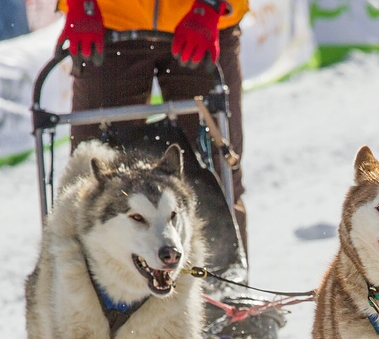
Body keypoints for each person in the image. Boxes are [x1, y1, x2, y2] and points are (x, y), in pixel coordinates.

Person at [57, 0, 249, 246]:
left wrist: (208, 7)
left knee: (218, 180)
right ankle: (85, 281)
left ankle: (223, 280)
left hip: (204, 19)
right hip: (110, 18)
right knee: (91, 181)